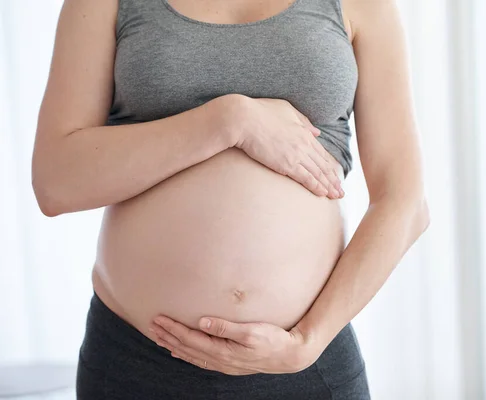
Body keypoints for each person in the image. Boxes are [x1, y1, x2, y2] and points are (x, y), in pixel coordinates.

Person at [32, 0, 429, 398]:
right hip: (139, 360)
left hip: (305, 362)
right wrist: (227, 120)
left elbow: (404, 201)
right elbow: (55, 182)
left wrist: (307, 342)